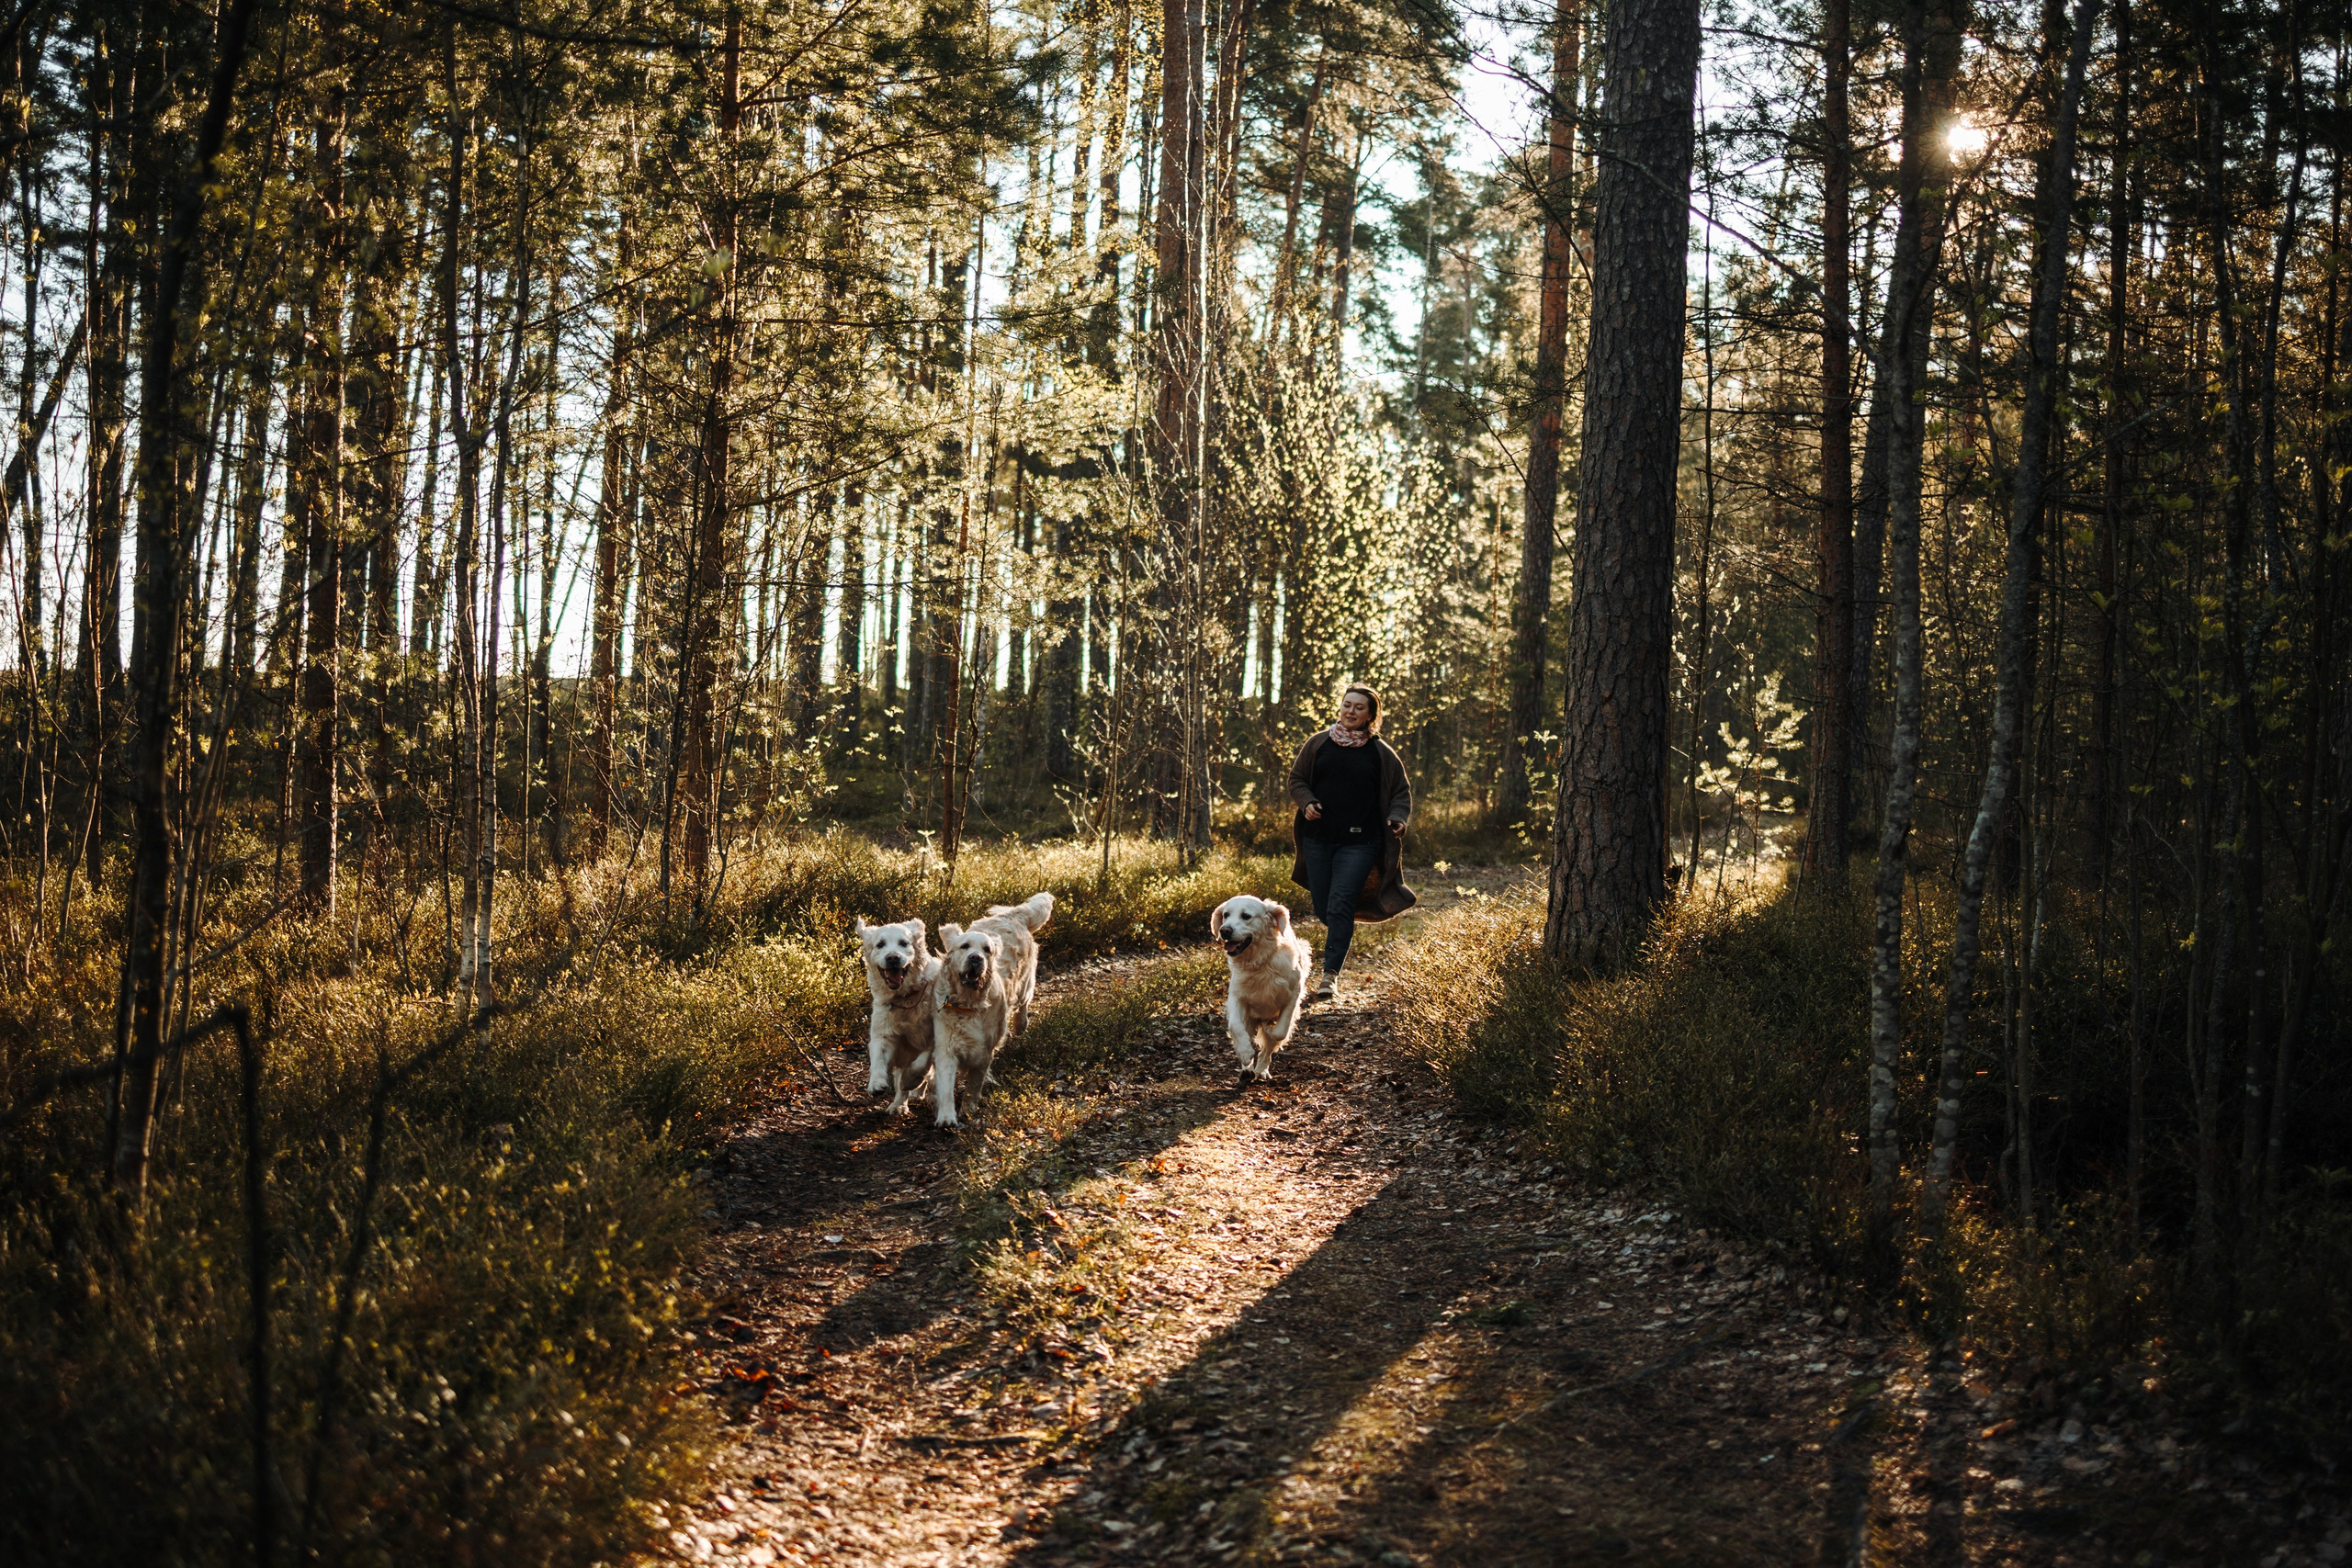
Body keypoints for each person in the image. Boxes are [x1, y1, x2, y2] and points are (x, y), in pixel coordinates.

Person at [1287, 683, 1417, 1000]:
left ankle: (1329, 976)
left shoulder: (1381, 752)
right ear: (1340, 707)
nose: (1351, 711)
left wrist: (1398, 818)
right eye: (1347, 705)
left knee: (1341, 903)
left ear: (1371, 715)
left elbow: (1401, 791)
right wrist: (1307, 803)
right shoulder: (1318, 743)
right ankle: (1339, 930)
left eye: (1359, 707)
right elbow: (1296, 779)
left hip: (1361, 843)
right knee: (1323, 906)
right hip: (1317, 840)